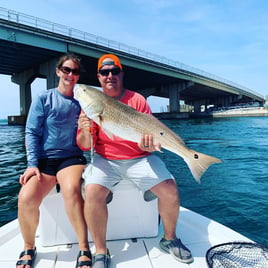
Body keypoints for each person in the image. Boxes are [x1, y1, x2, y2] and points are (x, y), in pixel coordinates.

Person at [77, 53, 193, 268]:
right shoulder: (90, 107)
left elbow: (148, 135)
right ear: (99, 77)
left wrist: (148, 145)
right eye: (105, 72)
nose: (110, 75)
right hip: (105, 159)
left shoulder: (137, 100)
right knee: (92, 192)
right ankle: (101, 252)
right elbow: (85, 145)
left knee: (170, 188)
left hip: (139, 157)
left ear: (121, 74)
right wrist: (84, 129)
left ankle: (170, 239)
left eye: (115, 71)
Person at [16, 53, 92, 268]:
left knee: (71, 190)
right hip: (44, 161)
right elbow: (31, 132)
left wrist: (87, 127)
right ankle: (29, 246)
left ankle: (84, 248)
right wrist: (32, 164)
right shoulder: (43, 98)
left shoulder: (84, 102)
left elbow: (87, 141)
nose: (70, 74)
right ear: (58, 71)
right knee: (25, 197)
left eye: (75, 71)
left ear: (78, 76)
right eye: (66, 70)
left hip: (72, 158)